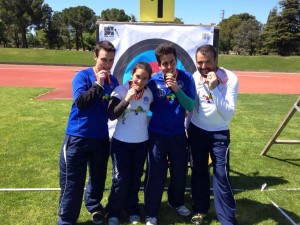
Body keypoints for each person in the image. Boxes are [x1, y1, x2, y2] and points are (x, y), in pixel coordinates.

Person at [58, 41, 119, 225]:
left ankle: (93, 207)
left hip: (100, 138)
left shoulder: (113, 81)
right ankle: (67, 219)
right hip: (78, 137)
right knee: (73, 181)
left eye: (110, 60)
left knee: (98, 178)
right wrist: (98, 85)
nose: (107, 65)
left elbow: (112, 111)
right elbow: (81, 103)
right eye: (103, 60)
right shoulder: (82, 76)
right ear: (95, 57)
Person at [144, 42, 196, 225]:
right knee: (155, 173)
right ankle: (151, 212)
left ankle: (176, 202)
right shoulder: (152, 81)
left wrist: (176, 89)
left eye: (172, 62)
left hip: (178, 134)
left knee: (179, 172)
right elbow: (145, 104)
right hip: (157, 135)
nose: (169, 66)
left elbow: (190, 106)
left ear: (177, 61)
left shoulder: (187, 78)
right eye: (164, 63)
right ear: (159, 65)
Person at [187, 44, 239, 225]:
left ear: (215, 60)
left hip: (219, 135)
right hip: (197, 131)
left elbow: (227, 114)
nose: (203, 67)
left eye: (207, 62)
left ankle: (227, 218)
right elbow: (193, 107)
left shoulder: (230, 79)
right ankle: (200, 210)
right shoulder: (194, 77)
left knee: (221, 175)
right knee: (198, 172)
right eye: (200, 62)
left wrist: (214, 88)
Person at [105, 62, 153, 225]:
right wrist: (127, 99)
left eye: (144, 78)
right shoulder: (120, 91)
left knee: (135, 177)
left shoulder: (149, 93)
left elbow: (153, 109)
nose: (140, 81)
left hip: (141, 142)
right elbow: (112, 114)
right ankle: (114, 212)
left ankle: (132, 209)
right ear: (132, 75)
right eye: (138, 77)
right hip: (121, 143)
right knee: (120, 178)